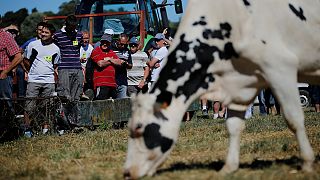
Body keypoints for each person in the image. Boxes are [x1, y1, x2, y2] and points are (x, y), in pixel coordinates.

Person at [23, 23, 60, 136]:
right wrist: (31, 72)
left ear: (52, 35)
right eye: (42, 32)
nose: (43, 34)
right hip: (33, 80)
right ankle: (28, 129)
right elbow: (26, 60)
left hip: (49, 81)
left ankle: (45, 130)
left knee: (47, 107)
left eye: (46, 32)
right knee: (29, 106)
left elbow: (55, 65)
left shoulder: (56, 49)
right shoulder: (33, 45)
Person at [53, 15, 84, 127]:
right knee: (65, 96)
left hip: (77, 68)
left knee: (76, 96)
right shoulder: (57, 35)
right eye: (70, 26)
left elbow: (78, 49)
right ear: (66, 24)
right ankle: (63, 124)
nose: (72, 29)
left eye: (74, 26)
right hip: (64, 68)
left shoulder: (79, 35)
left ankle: (75, 123)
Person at [90, 34, 124, 100]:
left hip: (112, 83)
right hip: (101, 83)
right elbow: (100, 64)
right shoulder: (96, 51)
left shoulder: (111, 52)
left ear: (110, 43)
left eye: (107, 42)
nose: (105, 44)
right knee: (100, 102)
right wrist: (112, 61)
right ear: (101, 42)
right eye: (103, 42)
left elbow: (119, 62)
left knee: (113, 104)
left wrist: (109, 59)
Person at [19, 22, 47, 98]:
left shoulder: (49, 43)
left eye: (43, 30)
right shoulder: (31, 42)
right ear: (36, 30)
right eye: (39, 30)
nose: (41, 32)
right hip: (30, 69)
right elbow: (20, 51)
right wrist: (26, 70)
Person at [0, 27, 22, 113]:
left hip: (2, 74)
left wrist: (5, 71)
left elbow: (18, 57)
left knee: (5, 102)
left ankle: (10, 124)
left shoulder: (5, 36)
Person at [114, 33, 133, 98]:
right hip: (112, 79)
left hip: (122, 80)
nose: (123, 46)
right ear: (117, 41)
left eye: (125, 45)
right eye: (121, 44)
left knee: (121, 103)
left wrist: (126, 63)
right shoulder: (111, 48)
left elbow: (130, 65)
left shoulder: (127, 51)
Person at [80, 30, 94, 99]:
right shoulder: (78, 46)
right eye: (84, 38)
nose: (86, 40)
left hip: (87, 67)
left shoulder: (90, 48)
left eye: (87, 38)